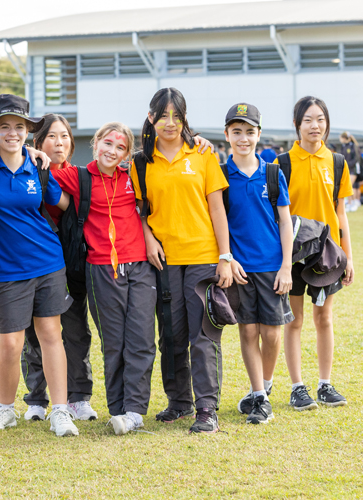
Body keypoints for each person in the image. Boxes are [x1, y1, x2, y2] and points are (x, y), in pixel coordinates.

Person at [131, 87, 232, 434]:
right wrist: (148, 238)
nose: (170, 123)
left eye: (177, 116)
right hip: (165, 260)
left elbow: (217, 208)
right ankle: (179, 401)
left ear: (185, 118)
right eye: (163, 116)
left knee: (203, 334)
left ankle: (207, 408)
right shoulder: (140, 162)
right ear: (151, 118)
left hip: (203, 256)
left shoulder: (203, 154)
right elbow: (140, 211)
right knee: (171, 334)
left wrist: (224, 256)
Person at [0, 94, 79, 437]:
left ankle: (61, 411)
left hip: (48, 262)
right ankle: (5, 410)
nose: (12, 133)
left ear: (27, 131)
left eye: (19, 127)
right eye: (4, 126)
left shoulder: (38, 167)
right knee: (11, 343)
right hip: (5, 269)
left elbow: (65, 204)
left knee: (51, 335)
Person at [54, 122, 157, 435]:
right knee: (114, 342)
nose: (112, 151)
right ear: (96, 143)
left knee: (142, 340)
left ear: (127, 153)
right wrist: (35, 154)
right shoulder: (78, 176)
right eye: (108, 143)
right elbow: (40, 177)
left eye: (121, 147)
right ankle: (118, 409)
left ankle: (135, 411)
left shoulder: (133, 176)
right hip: (100, 268)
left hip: (140, 266)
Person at [277, 96, 354, 410]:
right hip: (294, 254)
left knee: (324, 318)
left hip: (327, 255)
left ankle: (325, 384)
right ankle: (297, 388)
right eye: (308, 119)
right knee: (294, 320)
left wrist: (349, 256)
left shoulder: (337, 162)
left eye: (320, 119)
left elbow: (341, 213)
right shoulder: (282, 164)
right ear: (297, 124)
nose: (315, 125)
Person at [21, 114, 98, 422]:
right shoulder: (25, 171)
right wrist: (25, 153)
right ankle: (37, 399)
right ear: (38, 142)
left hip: (72, 260)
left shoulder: (80, 176)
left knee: (76, 329)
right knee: (34, 333)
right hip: (33, 261)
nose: (59, 143)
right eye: (51, 137)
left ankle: (79, 397)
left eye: (65, 136)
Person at [221, 103, 294, 425]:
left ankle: (263, 385)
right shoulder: (221, 175)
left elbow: (286, 222)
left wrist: (286, 266)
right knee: (249, 331)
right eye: (237, 132)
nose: (243, 138)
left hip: (273, 267)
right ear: (227, 135)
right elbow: (218, 222)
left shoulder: (273, 174)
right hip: (240, 269)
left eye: (249, 132)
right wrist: (228, 258)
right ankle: (260, 397)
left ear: (259, 135)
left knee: (273, 334)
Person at [339, 132, 361, 211]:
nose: (340, 140)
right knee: (347, 187)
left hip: (353, 169)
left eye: (341, 138)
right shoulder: (343, 146)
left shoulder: (353, 146)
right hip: (345, 169)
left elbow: (357, 158)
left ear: (344, 138)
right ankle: (349, 203)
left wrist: (349, 164)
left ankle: (353, 203)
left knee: (349, 186)